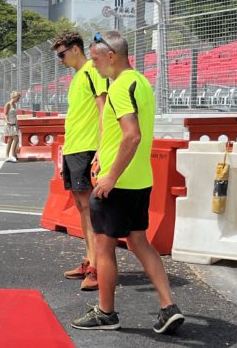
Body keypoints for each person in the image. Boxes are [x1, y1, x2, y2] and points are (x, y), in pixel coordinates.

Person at [71, 31, 184, 333]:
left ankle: (106, 312)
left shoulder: (120, 87)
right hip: (139, 180)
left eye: (95, 60)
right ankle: (167, 305)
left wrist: (110, 175)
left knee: (103, 246)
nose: (93, 66)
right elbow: (122, 133)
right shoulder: (142, 82)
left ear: (111, 56)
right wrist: (101, 157)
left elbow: (132, 135)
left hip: (116, 185)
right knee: (139, 241)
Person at [52, 30, 108, 292]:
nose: (60, 59)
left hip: (87, 148)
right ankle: (89, 260)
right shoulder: (77, 77)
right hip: (74, 148)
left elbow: (103, 109)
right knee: (81, 206)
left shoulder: (92, 71)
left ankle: (98, 267)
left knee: (89, 209)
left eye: (62, 54)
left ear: (76, 49)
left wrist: (100, 148)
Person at [3, 91, 21, 162]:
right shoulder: (8, 104)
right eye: (18, 98)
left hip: (14, 123)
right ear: (14, 97)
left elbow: (15, 116)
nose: (18, 100)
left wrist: (17, 124)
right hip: (9, 123)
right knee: (16, 139)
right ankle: (12, 155)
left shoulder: (14, 105)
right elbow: (5, 114)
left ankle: (7, 156)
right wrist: (8, 122)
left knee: (10, 140)